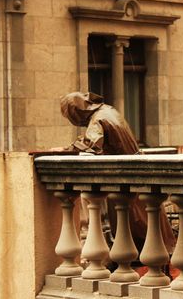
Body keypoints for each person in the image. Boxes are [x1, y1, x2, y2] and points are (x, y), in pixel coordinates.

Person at [57, 91, 175, 253]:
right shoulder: (109, 110)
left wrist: (64, 150)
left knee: (136, 222)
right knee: (148, 219)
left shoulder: (99, 118)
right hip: (137, 171)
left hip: (126, 177)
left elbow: (90, 144)